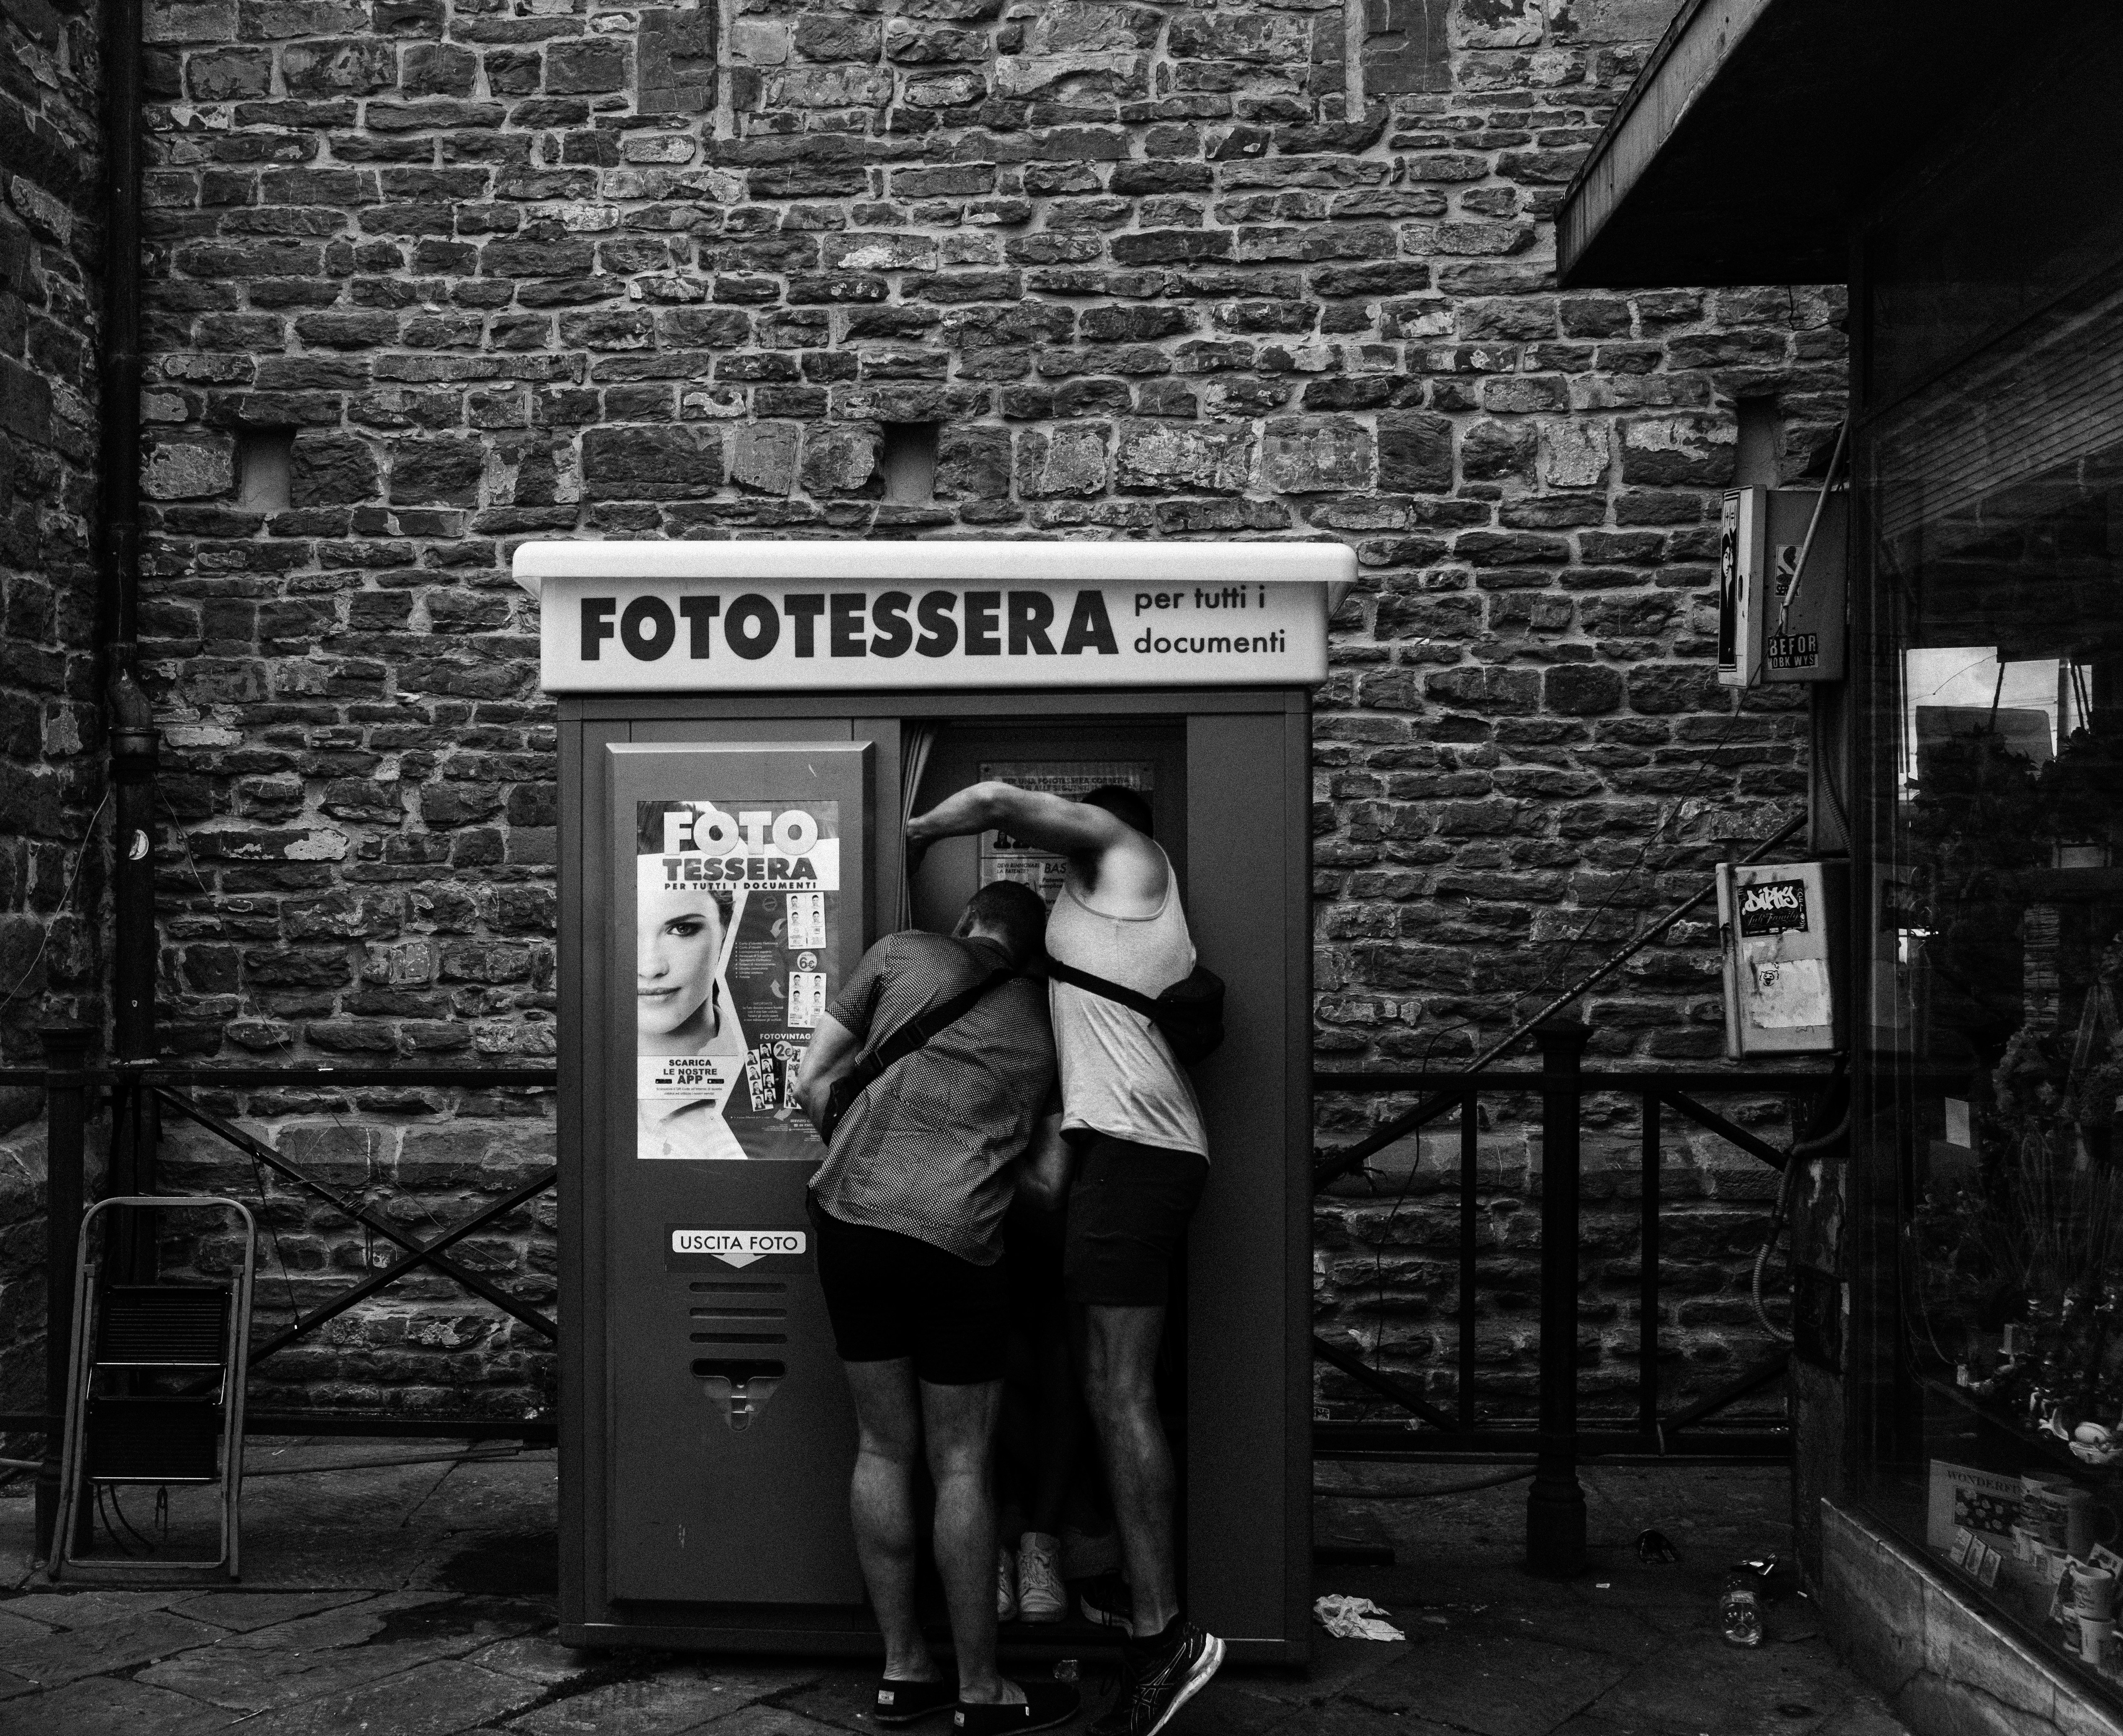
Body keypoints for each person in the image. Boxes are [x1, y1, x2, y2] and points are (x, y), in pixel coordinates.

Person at [905, 784, 1224, 1736]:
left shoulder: (1132, 863)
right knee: (1099, 1384)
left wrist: (909, 827)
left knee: (1118, 1391)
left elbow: (1001, 796)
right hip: (1113, 1156)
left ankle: (1167, 1637)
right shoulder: (1092, 915)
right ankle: (1144, 1624)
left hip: (1141, 1155)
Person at [793, 881, 1079, 1736]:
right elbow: (1050, 1187)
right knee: (961, 1463)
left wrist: (872, 1166)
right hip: (958, 1241)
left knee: (881, 1446)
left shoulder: (900, 952)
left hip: (850, 1222)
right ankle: (982, 1688)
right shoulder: (1048, 1021)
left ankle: (901, 1670)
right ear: (1030, 953)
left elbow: (814, 1080)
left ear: (966, 925)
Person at [637, 854, 747, 1162]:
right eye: (626, 930)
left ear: (726, 929)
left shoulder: (763, 1074)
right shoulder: (591, 1070)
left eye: (682, 929)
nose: (650, 967)